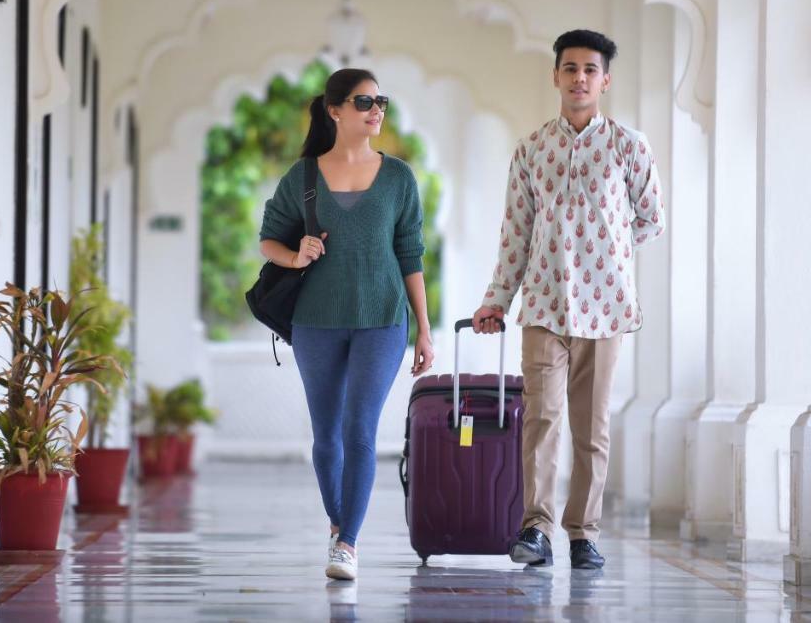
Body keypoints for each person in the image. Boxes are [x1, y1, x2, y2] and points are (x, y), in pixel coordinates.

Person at [471, 29, 665, 570]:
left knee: (591, 426)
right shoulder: (532, 149)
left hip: (606, 311)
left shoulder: (630, 145)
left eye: (590, 69)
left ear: (605, 80)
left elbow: (652, 219)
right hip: (542, 306)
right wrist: (496, 300)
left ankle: (583, 533)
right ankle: (536, 529)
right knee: (541, 419)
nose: (579, 78)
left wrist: (609, 246)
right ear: (556, 75)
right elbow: (515, 232)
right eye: (570, 68)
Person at [259, 68, 436, 581]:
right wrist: (296, 256)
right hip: (316, 321)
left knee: (360, 431)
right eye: (363, 101)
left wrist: (423, 329)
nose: (375, 109)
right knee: (326, 436)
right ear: (335, 110)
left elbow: (410, 255)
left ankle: (348, 543)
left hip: (382, 320)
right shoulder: (304, 177)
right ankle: (339, 524)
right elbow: (269, 239)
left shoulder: (400, 178)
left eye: (380, 100)